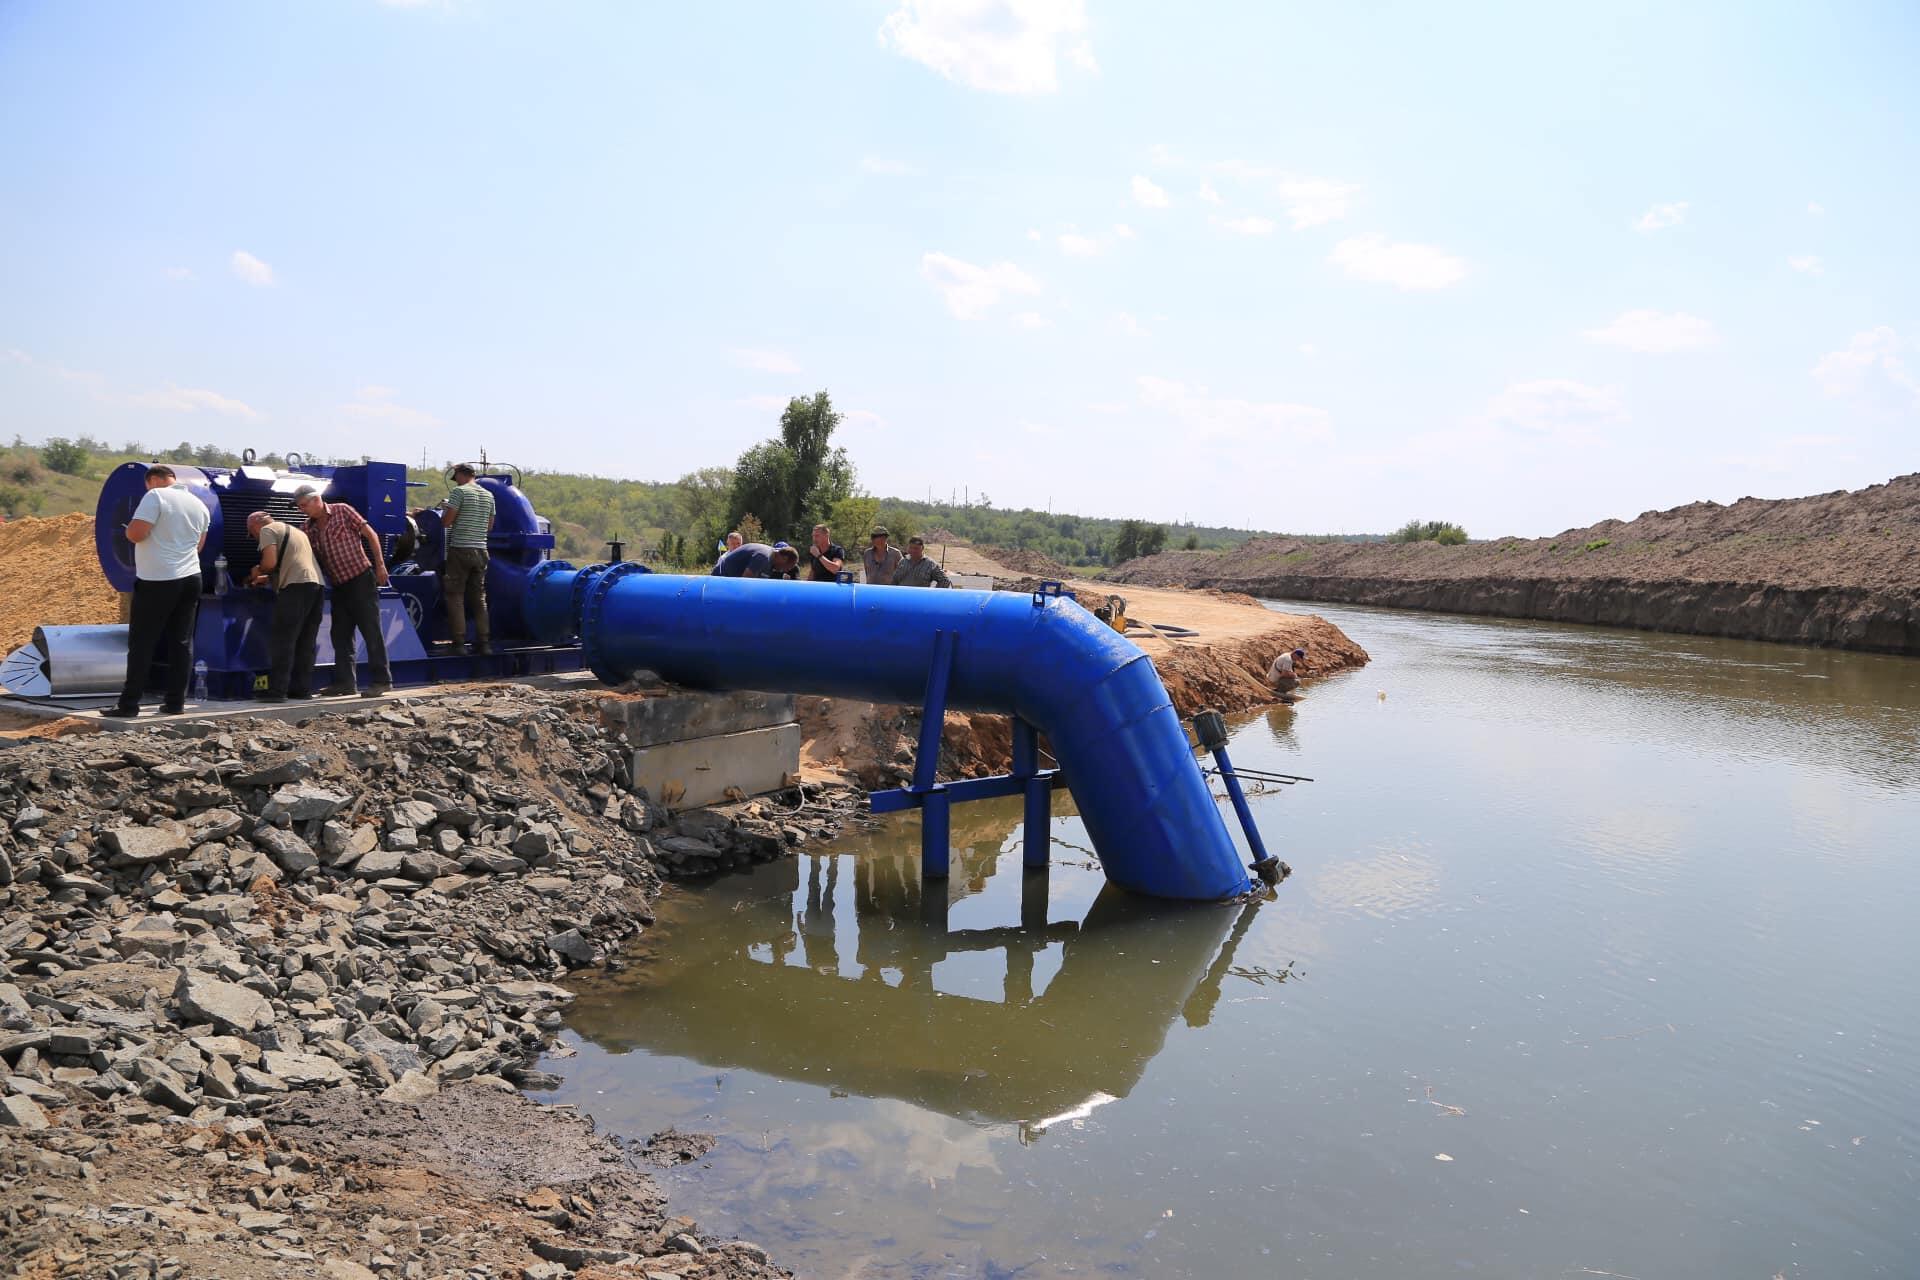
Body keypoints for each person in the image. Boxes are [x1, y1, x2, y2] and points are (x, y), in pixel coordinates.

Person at [105, 464, 210, 718]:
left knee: (142, 642)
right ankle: (175, 703)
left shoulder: (156, 496)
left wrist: (128, 529)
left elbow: (136, 534)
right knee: (181, 643)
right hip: (191, 577)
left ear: (152, 480)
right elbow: (199, 546)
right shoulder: (200, 505)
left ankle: (129, 704)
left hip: (158, 579)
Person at [294, 484, 394, 697]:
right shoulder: (307, 529)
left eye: (304, 505)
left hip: (361, 579)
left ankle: (382, 680)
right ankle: (345, 683)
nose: (302, 510)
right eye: (299, 507)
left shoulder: (342, 510)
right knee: (340, 634)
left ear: (316, 499)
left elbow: (370, 534)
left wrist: (380, 565)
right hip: (339, 585)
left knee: (371, 630)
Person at [244, 510, 324, 702]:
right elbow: (293, 562)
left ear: (256, 525)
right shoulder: (296, 531)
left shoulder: (267, 530)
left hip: (295, 588)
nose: (254, 538)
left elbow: (270, 562)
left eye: (252, 533)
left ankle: (277, 691)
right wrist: (268, 578)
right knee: (306, 641)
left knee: (283, 640)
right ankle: (301, 690)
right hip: (316, 586)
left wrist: (257, 570)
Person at [439, 464, 497, 655]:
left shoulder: (459, 492)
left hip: (460, 550)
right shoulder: (488, 495)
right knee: (479, 598)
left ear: (461, 475)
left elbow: (446, 522)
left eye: (456, 477)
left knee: (455, 595)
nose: (456, 481)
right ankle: (484, 643)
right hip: (481, 551)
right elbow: (489, 527)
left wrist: (445, 511)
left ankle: (459, 644)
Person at [711, 542, 800, 579]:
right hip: (720, 578)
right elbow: (745, 582)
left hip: (730, 581)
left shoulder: (771, 561)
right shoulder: (763, 557)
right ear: (784, 558)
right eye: (788, 567)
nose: (785, 570)